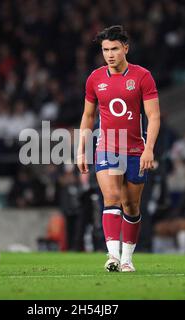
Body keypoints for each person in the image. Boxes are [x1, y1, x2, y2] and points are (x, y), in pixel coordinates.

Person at [77, 26, 160, 272]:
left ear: (125, 48)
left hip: (135, 150)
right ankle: (113, 257)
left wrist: (149, 149)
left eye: (114, 49)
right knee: (111, 197)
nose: (110, 54)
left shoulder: (143, 76)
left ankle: (127, 259)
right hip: (107, 147)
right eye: (105, 50)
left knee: (131, 206)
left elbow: (153, 116)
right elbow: (88, 116)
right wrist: (82, 149)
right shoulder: (95, 78)